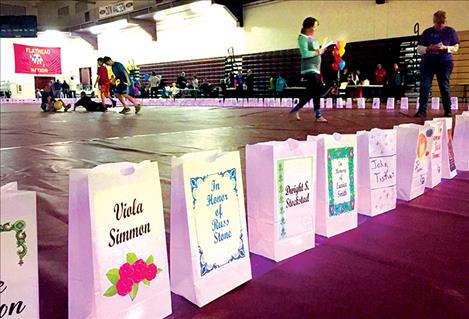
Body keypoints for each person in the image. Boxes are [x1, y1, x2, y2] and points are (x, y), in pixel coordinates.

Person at [415, 10, 459, 118]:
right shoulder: (427, 32)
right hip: (428, 63)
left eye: (442, 23)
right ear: (434, 22)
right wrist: (428, 48)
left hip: (444, 63)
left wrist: (446, 48)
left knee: (444, 86)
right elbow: (419, 49)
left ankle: (448, 110)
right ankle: (422, 110)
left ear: (445, 21)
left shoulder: (451, 31)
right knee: (425, 86)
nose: (440, 25)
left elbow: (456, 48)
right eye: (438, 23)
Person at [290, 17, 327, 122]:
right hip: (309, 69)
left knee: (314, 92)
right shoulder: (302, 38)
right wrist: (318, 52)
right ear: (308, 27)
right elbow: (305, 54)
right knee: (314, 91)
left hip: (315, 69)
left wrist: (321, 49)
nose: (315, 29)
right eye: (314, 26)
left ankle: (313, 113)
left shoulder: (311, 38)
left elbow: (314, 51)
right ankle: (316, 114)